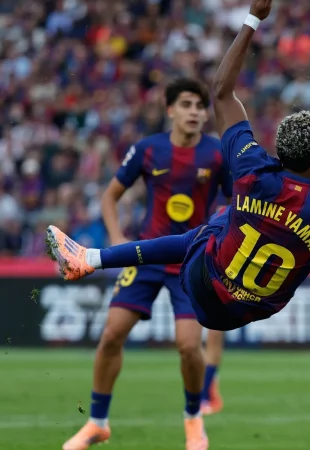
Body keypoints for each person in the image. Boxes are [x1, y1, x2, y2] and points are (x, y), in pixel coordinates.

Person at [47, 0, 310, 419]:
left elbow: (221, 91)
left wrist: (254, 18)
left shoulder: (251, 168)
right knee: (226, 223)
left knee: (219, 222)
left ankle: (89, 259)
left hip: (204, 282)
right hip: (249, 309)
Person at [62, 78, 232, 450]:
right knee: (110, 336)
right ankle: (97, 423)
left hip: (191, 260)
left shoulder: (218, 154)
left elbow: (239, 204)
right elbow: (110, 197)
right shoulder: (147, 150)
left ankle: (193, 421)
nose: (195, 112)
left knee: (189, 347)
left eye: (200, 107)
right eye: (186, 104)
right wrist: (116, 238)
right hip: (146, 257)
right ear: (170, 110)